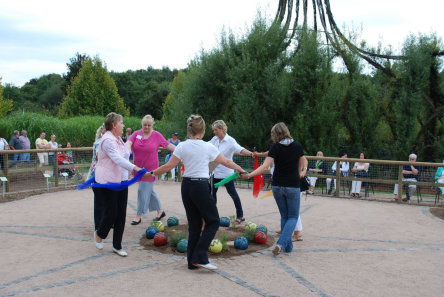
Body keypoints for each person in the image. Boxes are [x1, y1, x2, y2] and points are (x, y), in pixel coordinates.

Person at [146, 114, 245, 270]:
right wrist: (239, 169)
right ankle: (200, 255)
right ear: (203, 130)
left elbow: (167, 167)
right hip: (200, 186)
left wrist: (151, 173)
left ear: (189, 130)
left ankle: (192, 261)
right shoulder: (208, 147)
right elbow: (226, 161)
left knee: (194, 224)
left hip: (186, 187)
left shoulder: (182, 146)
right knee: (213, 221)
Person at [240, 122, 308, 255]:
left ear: (275, 134)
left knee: (284, 215)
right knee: (293, 217)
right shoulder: (297, 146)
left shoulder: (275, 148)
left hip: (277, 186)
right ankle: (282, 243)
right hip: (293, 186)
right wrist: (303, 171)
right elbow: (304, 160)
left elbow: (264, 166)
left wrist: (249, 175)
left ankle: (288, 248)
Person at [93, 112, 145, 257]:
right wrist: (135, 168)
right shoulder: (108, 140)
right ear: (114, 125)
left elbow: (124, 155)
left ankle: (117, 246)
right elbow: (116, 159)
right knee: (111, 213)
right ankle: (100, 233)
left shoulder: (119, 139)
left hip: (121, 181)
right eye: (121, 123)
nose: (123, 125)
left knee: (121, 214)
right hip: (108, 181)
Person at [126, 115, 175, 225]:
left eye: (149, 125)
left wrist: (180, 150)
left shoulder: (156, 135)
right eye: (145, 125)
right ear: (141, 125)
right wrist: (127, 149)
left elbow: (168, 145)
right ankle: (160, 211)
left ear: (152, 125)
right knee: (150, 191)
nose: (147, 127)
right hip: (138, 168)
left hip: (151, 170)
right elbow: (128, 142)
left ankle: (138, 215)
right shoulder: (136, 134)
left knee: (142, 190)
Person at [209, 120, 254, 224]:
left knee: (233, 194)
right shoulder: (214, 139)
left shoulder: (230, 140)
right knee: (212, 195)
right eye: (214, 130)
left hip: (226, 174)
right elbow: (206, 146)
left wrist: (251, 153)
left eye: (215, 130)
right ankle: (213, 216)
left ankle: (240, 215)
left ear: (221, 129)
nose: (214, 132)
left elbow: (240, 149)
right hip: (214, 172)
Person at [87, 124, 105, 231]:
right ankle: (98, 225)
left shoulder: (102, 140)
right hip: (98, 173)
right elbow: (99, 158)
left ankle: (104, 221)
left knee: (104, 199)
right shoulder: (100, 142)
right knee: (100, 200)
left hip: (100, 173)